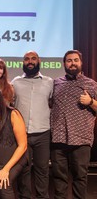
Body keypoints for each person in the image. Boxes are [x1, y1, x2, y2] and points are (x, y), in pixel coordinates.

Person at [50, 50, 97, 199]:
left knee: (80, 179)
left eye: (75, 60)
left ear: (81, 63)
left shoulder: (91, 84)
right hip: (59, 138)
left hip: (81, 139)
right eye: (69, 61)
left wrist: (90, 102)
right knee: (59, 180)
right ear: (64, 63)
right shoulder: (56, 83)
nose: (72, 63)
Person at [11, 51, 53, 199]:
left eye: (33, 59)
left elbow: (53, 104)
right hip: (22, 135)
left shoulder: (49, 82)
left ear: (39, 61)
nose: (30, 61)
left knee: (42, 170)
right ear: (23, 62)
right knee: (24, 171)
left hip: (43, 133)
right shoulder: (15, 82)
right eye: (27, 59)